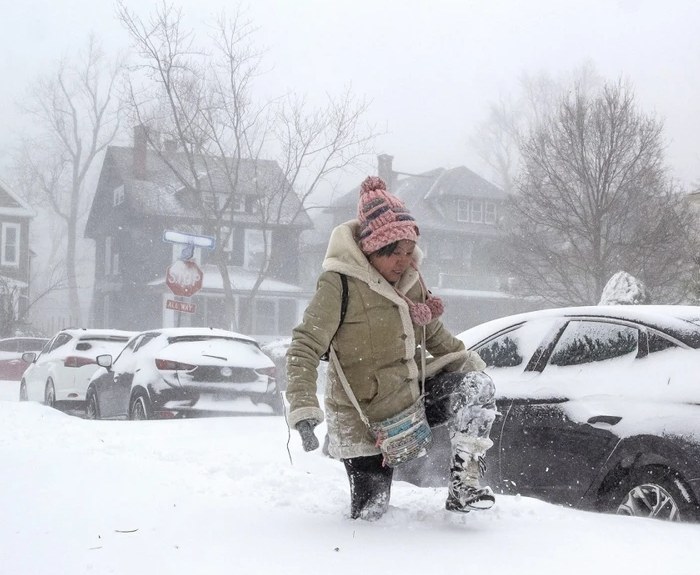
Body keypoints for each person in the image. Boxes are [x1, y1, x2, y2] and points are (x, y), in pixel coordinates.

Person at [286, 175, 497, 520]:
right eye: (393, 253)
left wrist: (478, 369)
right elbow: (304, 346)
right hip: (364, 418)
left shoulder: (411, 283)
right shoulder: (339, 283)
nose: (403, 261)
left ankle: (465, 485)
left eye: (408, 251)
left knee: (476, 386)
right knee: (372, 516)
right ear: (371, 249)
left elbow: (439, 339)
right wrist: (304, 409)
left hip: (411, 400)